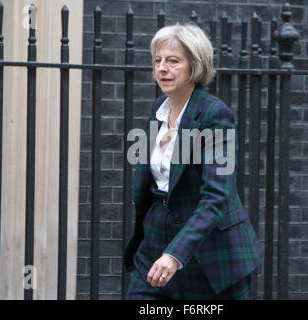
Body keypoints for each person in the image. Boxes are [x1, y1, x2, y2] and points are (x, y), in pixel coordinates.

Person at [123, 22, 263, 300]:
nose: (162, 68)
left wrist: (175, 254)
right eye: (158, 60)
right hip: (154, 248)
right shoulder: (158, 111)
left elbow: (217, 196)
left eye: (173, 61)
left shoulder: (215, 115)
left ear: (195, 67)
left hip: (212, 256)